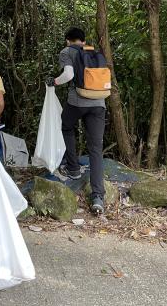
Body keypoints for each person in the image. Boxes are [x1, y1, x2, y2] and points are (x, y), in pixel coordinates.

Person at [46, 27, 106, 215]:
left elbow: (69, 75)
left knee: (66, 126)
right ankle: (97, 197)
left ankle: (72, 168)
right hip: (99, 102)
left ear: (67, 40)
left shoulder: (67, 52)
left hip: (78, 101)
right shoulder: (94, 52)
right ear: (83, 40)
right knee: (96, 148)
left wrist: (54, 82)